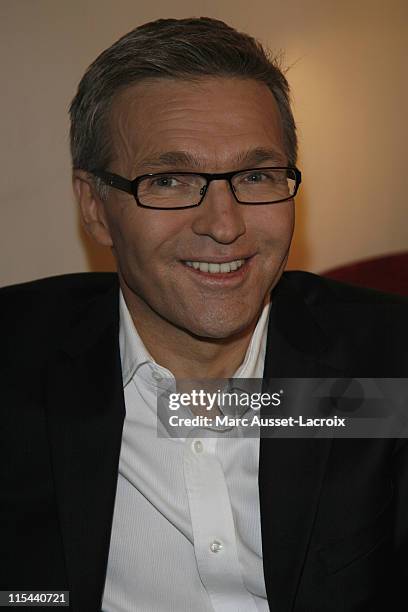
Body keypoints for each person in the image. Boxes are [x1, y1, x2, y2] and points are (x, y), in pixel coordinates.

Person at [1, 17, 407, 612]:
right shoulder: (14, 362)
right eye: (168, 180)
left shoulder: (388, 362)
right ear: (94, 207)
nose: (225, 225)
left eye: (256, 176)